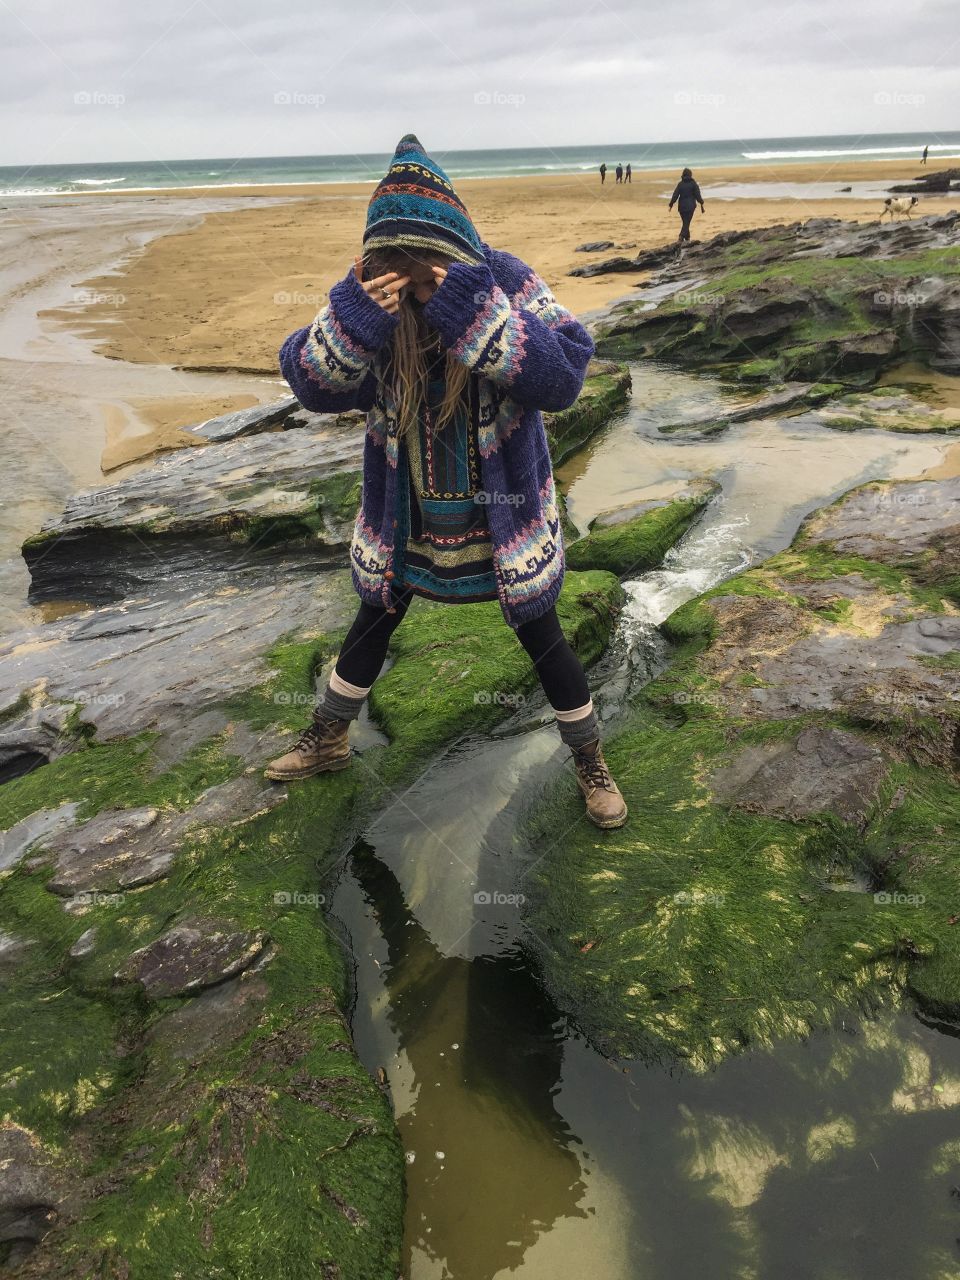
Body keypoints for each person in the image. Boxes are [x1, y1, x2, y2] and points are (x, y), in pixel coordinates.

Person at [263, 133, 628, 829]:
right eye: (393, 263)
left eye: (420, 263)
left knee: (542, 632)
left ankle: (591, 763)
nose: (409, 278)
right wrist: (357, 319)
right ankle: (328, 737)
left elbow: (564, 376)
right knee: (376, 616)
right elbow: (310, 384)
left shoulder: (504, 279)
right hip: (409, 510)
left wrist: (469, 310)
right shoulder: (367, 299)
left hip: (504, 514)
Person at [668, 167, 705, 242]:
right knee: (686, 223)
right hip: (690, 207)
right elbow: (698, 195)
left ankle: (687, 239)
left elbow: (675, 195)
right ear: (690, 175)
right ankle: (681, 237)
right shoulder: (693, 184)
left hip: (681, 208)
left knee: (686, 222)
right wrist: (701, 202)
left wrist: (671, 204)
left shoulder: (680, 184)